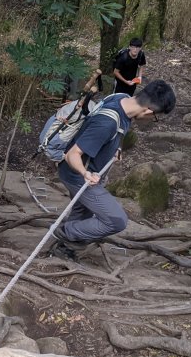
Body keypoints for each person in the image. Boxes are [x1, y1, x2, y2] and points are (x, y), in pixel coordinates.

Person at [49, 80, 176, 261]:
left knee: (83, 212)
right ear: (148, 110)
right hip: (78, 175)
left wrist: (114, 147)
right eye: (155, 117)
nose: (152, 121)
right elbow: (72, 155)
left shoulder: (121, 99)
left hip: (89, 173)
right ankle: (63, 232)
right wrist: (85, 174)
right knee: (116, 220)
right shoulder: (107, 123)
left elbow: (118, 129)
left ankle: (64, 250)